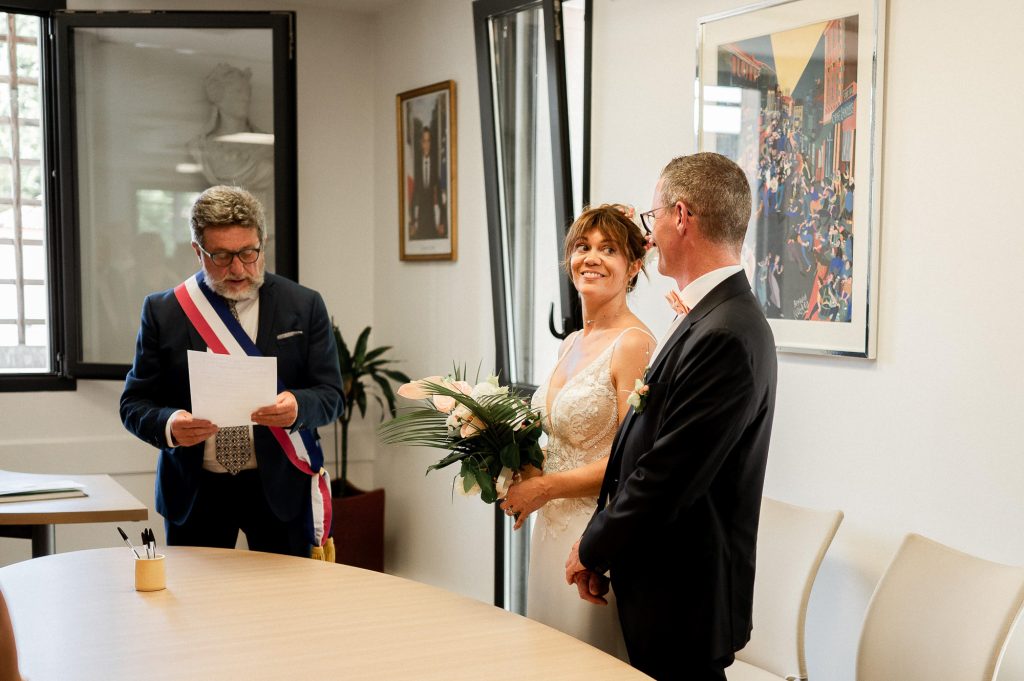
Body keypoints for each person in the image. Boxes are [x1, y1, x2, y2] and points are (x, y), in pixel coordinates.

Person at [565, 153, 778, 681]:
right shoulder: (708, 315)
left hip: (685, 595)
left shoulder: (726, 332)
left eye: (652, 218)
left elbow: (667, 475)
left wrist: (593, 548)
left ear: (680, 216)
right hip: (662, 584)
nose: (650, 234)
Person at [120, 185, 344, 559]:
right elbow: (134, 403)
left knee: (286, 609)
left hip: (281, 487)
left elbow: (332, 395)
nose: (238, 269)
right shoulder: (164, 311)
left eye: (248, 253)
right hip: (195, 489)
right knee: (195, 611)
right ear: (198, 251)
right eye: (221, 256)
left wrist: (298, 407)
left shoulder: (303, 305)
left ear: (263, 242)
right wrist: (170, 424)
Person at [499, 204, 655, 658]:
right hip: (548, 527)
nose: (592, 257)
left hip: (592, 532)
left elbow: (632, 461)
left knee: (586, 658)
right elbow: (561, 438)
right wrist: (519, 469)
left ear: (634, 267)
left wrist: (546, 487)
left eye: (609, 249)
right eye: (583, 247)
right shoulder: (571, 341)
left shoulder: (635, 344)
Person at [409, 125, 446, 239]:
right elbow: (414, 194)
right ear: (421, 143)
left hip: (432, 215)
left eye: (429, 141)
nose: (426, 145)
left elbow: (439, 194)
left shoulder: (435, 164)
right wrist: (412, 221)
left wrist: (441, 222)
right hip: (420, 215)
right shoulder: (415, 165)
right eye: (424, 141)